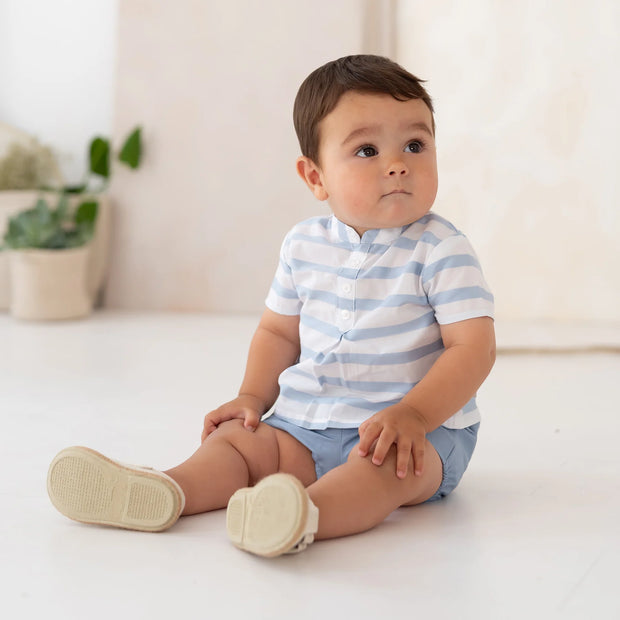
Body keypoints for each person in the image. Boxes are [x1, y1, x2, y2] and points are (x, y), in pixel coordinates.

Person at [48, 54, 496, 558]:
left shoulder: (441, 249)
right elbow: (278, 334)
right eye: (367, 150)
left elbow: (472, 349)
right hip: (306, 423)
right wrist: (251, 398)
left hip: (418, 434)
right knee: (241, 443)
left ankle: (300, 516)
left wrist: (413, 414)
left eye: (416, 144)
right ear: (315, 177)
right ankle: (167, 490)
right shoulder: (303, 245)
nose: (398, 163)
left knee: (380, 474)